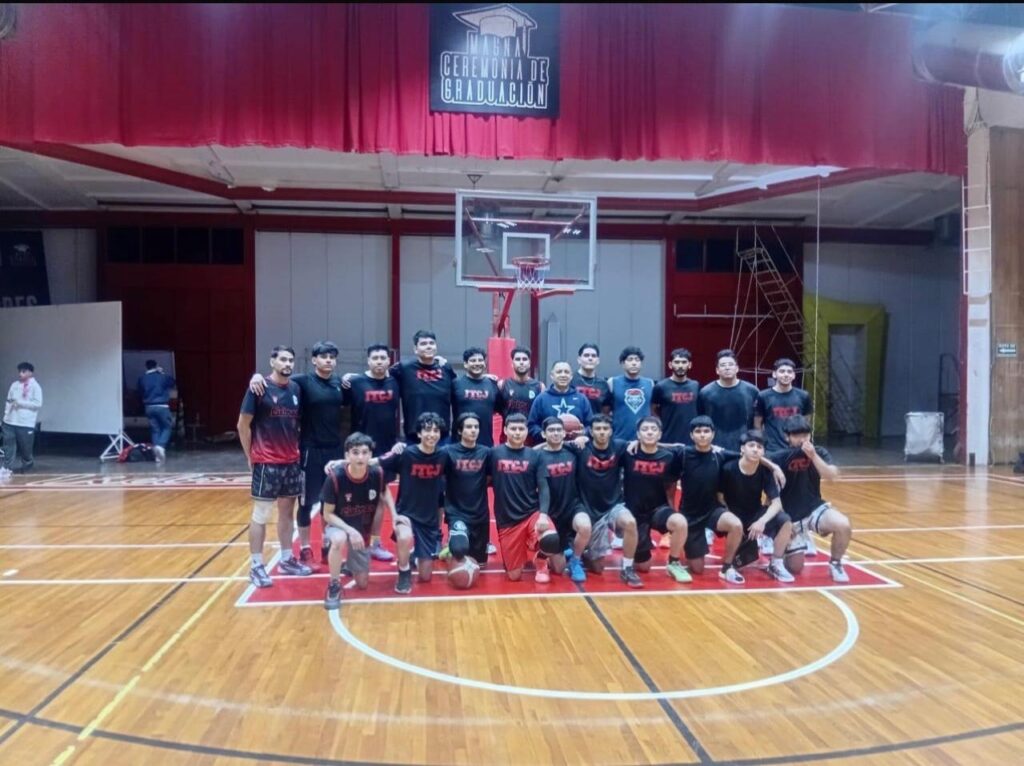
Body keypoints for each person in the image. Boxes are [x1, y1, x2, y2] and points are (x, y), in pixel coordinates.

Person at [249, 342, 353, 567]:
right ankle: (305, 548)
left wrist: (350, 378)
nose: (328, 360)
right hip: (309, 450)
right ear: (314, 360)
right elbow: (275, 379)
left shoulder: (339, 384)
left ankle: (327, 545)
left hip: (334, 450)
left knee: (331, 501)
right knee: (305, 502)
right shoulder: (302, 382)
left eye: (332, 357)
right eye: (323, 356)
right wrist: (255, 377)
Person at [672, 416, 784, 582]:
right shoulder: (683, 454)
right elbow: (664, 447)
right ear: (691, 435)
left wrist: (774, 466)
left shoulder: (720, 454)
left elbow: (750, 454)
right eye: (698, 431)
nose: (702, 435)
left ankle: (727, 568)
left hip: (713, 511)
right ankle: (691, 547)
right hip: (690, 515)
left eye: (706, 431)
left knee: (735, 524)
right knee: (697, 568)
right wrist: (638, 442)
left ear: (713, 434)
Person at [238, 346, 313, 588]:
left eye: (291, 360)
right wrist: (250, 455)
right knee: (261, 514)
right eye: (283, 359)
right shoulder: (258, 388)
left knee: (287, 513)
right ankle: (256, 566)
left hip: (291, 461)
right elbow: (242, 425)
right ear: (272, 362)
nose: (287, 363)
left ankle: (287, 559)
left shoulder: (295, 389)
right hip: (267, 461)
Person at [321, 432, 406, 610]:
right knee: (339, 539)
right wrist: (350, 531)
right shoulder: (335, 477)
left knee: (362, 583)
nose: (360, 457)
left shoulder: (377, 473)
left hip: (362, 530)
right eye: (355, 452)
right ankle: (334, 584)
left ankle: (349, 565)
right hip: (338, 525)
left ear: (370, 455)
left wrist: (394, 515)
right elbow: (327, 515)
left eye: (364, 453)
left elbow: (384, 492)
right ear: (347, 455)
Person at [772, 416, 853, 583]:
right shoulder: (779, 457)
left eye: (805, 435)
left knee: (843, 524)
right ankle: (787, 546)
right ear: (787, 437)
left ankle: (836, 563)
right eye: (797, 436)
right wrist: (783, 523)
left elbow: (832, 475)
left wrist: (813, 456)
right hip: (791, 516)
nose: (802, 439)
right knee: (795, 568)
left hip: (814, 508)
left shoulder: (819, 452)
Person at [567, 414, 642, 588]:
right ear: (591, 432)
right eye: (598, 429)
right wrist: (576, 439)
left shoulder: (620, 446)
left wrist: (637, 442)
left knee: (630, 522)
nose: (602, 432)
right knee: (597, 568)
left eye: (605, 429)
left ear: (611, 431)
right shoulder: (581, 447)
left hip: (613, 506)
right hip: (587, 507)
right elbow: (549, 445)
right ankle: (579, 556)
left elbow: (652, 444)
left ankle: (627, 568)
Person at [377, 412, 449, 593]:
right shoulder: (406, 454)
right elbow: (375, 462)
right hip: (406, 514)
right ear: (419, 433)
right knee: (404, 537)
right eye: (427, 430)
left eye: (435, 431)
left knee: (425, 577)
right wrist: (341, 463)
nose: (432, 434)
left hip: (429, 519)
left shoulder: (443, 455)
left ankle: (411, 556)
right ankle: (403, 571)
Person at [342, 343, 401, 563]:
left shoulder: (395, 382)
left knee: (380, 500)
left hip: (386, 450)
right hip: (359, 451)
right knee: (355, 500)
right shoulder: (354, 383)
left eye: (383, 358)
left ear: (388, 361)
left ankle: (375, 544)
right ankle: (354, 544)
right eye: (375, 358)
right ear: (368, 361)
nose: (379, 361)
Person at [715, 430, 795, 584]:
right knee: (740, 559)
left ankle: (775, 564)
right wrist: (730, 517)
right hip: (732, 515)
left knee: (785, 521)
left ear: (763, 452)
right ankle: (727, 567)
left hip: (754, 514)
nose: (755, 449)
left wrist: (762, 521)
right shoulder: (728, 468)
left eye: (759, 447)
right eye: (751, 445)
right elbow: (720, 497)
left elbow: (777, 503)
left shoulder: (765, 471)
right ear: (742, 449)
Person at [490, 414, 561, 582]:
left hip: (531, 513)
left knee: (551, 538)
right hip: (507, 521)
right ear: (505, 430)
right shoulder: (494, 454)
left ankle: (541, 559)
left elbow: (543, 487)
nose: (517, 432)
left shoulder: (535, 456)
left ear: (526, 431)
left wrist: (543, 515)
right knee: (514, 576)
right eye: (513, 429)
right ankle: (527, 547)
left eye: (521, 429)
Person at [621, 416, 691, 583]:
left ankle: (674, 563)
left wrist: (672, 508)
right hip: (635, 513)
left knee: (680, 522)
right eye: (645, 429)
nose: (649, 432)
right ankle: (635, 554)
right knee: (643, 567)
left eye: (654, 430)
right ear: (638, 434)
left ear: (660, 434)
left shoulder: (669, 457)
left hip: (658, 510)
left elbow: (672, 484)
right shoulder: (628, 453)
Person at [536, 417, 592, 583]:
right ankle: (557, 551)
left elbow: (593, 440)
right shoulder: (538, 456)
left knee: (585, 526)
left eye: (559, 430)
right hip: (551, 512)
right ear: (543, 434)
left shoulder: (573, 450)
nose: (555, 433)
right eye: (551, 430)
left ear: (564, 433)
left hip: (573, 506)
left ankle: (575, 560)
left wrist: (583, 437)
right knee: (558, 569)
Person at [440, 413, 492, 582]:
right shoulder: (448, 452)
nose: (473, 430)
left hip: (480, 515)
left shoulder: (486, 453)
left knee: (480, 565)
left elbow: (490, 478)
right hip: (457, 513)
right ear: (460, 431)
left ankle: (455, 543)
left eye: (476, 427)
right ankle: (452, 545)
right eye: (469, 427)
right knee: (460, 550)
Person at [389, 330, 456, 442]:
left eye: (431, 343)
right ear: (415, 349)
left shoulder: (446, 368)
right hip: (414, 436)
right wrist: (356, 377)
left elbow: (461, 387)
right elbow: (379, 375)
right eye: (423, 344)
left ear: (436, 347)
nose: (428, 346)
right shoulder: (403, 368)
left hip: (442, 437)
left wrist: (485, 377)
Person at [697, 349, 760, 451]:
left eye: (731, 364)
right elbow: (701, 422)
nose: (727, 368)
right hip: (714, 448)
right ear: (717, 370)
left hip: (745, 447)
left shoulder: (752, 391)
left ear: (737, 368)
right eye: (723, 365)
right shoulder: (705, 392)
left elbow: (758, 422)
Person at [755, 358, 814, 452]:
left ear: (794, 375)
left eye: (789, 372)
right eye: (782, 371)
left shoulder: (804, 396)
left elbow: (806, 422)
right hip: (772, 449)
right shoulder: (763, 396)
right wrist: (762, 443)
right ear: (774, 374)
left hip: (797, 448)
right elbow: (757, 423)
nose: (786, 375)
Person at [527, 361, 593, 443]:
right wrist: (546, 434)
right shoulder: (541, 399)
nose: (563, 375)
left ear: (571, 376)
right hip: (548, 447)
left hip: (576, 447)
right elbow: (531, 425)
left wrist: (584, 433)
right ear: (552, 375)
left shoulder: (581, 399)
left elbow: (591, 425)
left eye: (566, 372)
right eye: (559, 372)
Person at [451, 347, 501, 447]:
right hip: (459, 443)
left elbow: (500, 408)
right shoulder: (456, 384)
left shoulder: (492, 384)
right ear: (465, 364)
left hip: (486, 443)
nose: (477, 363)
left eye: (480, 360)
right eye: (473, 360)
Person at [607, 346, 655, 442]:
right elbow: (605, 412)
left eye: (637, 360)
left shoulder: (650, 383)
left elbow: (653, 411)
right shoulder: (612, 382)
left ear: (641, 363)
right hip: (619, 438)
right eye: (630, 359)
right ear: (623, 363)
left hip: (644, 440)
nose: (634, 363)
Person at [2, 362, 43, 475]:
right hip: (10, 421)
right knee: (8, 446)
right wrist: (6, 416)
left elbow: (38, 404)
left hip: (25, 422)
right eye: (19, 371)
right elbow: (9, 401)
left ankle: (27, 466)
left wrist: (20, 403)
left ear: (30, 373)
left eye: (23, 371)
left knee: (26, 448)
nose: (20, 374)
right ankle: (7, 468)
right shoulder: (14, 385)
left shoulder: (35, 387)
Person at [652, 348, 699, 445]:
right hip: (668, 440)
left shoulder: (695, 385)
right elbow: (653, 409)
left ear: (690, 365)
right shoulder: (661, 386)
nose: (680, 365)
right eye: (677, 362)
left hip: (692, 441)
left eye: (684, 362)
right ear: (670, 365)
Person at [497, 346, 545, 434]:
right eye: (518, 359)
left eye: (524, 359)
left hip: (531, 436)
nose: (521, 362)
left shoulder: (539, 387)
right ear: (512, 363)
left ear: (529, 363)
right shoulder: (502, 385)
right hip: (509, 436)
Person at [137, 359, 176, 462]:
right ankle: (160, 446)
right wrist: (162, 372)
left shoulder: (142, 378)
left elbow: (140, 391)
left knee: (155, 429)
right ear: (156, 366)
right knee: (167, 427)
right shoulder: (162, 377)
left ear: (146, 367)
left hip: (148, 407)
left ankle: (157, 455)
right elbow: (172, 382)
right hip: (162, 406)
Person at [572, 343, 610, 412]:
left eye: (593, 356)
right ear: (579, 360)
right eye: (586, 355)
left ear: (598, 361)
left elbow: (606, 411)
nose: (590, 358)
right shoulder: (570, 380)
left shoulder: (603, 384)